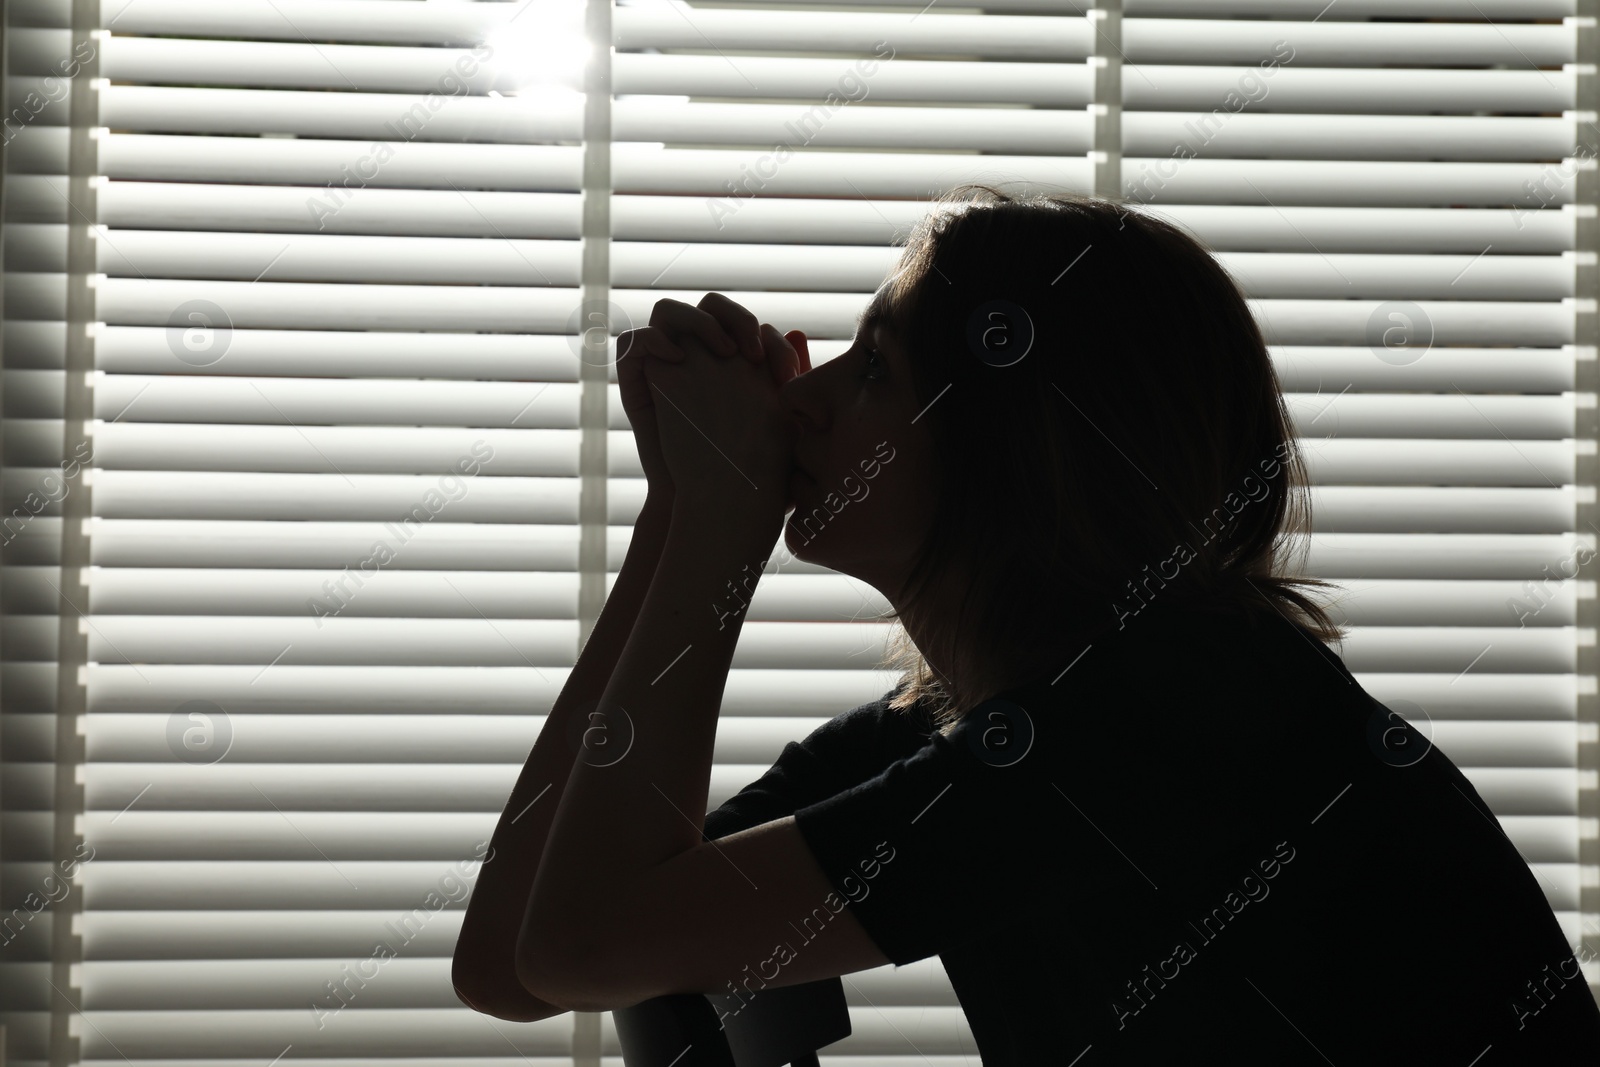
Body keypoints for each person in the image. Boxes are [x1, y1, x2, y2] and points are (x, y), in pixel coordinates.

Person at [455, 187, 1600, 1064]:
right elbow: (516, 960)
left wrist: (717, 522)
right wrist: (680, 513)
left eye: (873, 371)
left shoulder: (1175, 716)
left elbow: (573, 944)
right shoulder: (958, 731)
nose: (801, 397)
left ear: (1018, 446)